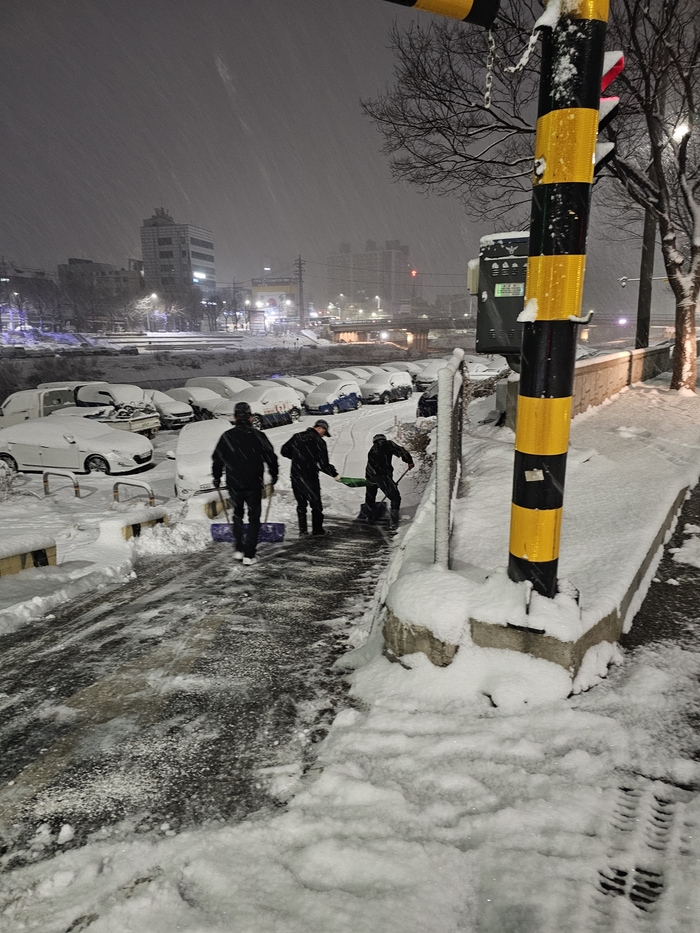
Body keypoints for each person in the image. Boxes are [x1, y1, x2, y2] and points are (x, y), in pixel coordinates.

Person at [212, 401, 279, 565]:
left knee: (237, 515)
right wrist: (274, 474)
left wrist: (216, 477)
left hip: (235, 483)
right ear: (250, 417)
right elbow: (271, 457)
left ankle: (239, 549)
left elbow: (217, 459)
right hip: (253, 483)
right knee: (254, 518)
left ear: (234, 418)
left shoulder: (227, 436)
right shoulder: (258, 435)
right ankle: (249, 554)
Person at [281, 419, 341, 537]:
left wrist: (297, 458)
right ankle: (317, 530)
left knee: (301, 505)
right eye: (324, 432)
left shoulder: (297, 436)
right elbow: (324, 464)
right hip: (310, 477)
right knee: (316, 505)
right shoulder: (319, 442)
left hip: (296, 475)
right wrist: (334, 474)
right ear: (320, 428)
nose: (323, 435)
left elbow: (284, 451)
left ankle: (303, 531)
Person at [364, 433, 414, 530]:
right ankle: (394, 522)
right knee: (395, 497)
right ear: (383, 439)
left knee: (370, 496)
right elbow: (401, 451)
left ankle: (370, 517)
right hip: (382, 476)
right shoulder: (387, 444)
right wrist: (409, 461)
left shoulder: (372, 449)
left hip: (370, 475)